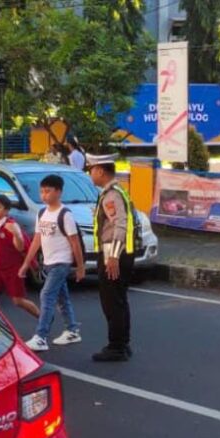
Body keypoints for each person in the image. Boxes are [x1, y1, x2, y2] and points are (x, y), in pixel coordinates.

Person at [19, 174, 85, 352]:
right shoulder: (42, 213)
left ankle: (41, 337)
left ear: (58, 192)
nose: (44, 195)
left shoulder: (65, 215)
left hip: (61, 263)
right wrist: (26, 263)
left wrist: (80, 267)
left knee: (47, 295)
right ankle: (72, 330)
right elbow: (36, 240)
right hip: (48, 263)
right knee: (62, 298)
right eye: (41, 191)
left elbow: (75, 242)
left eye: (48, 191)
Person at [87, 153, 139, 362]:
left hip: (113, 253)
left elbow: (121, 224)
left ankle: (116, 347)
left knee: (111, 302)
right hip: (120, 252)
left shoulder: (111, 195)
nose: (90, 174)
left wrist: (113, 256)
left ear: (100, 170)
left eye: (91, 170)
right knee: (119, 300)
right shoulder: (115, 192)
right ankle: (122, 344)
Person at [0, 195, 41, 318]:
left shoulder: (11, 225)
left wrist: (16, 234)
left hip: (13, 268)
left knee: (18, 300)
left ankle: (42, 318)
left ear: (6, 211)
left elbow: (20, 247)